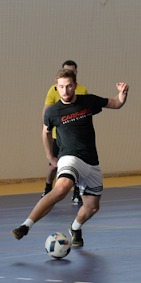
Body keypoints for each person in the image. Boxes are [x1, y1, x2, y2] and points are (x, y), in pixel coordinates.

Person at [12, 69, 129, 247]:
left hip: (91, 161)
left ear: (75, 85)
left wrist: (122, 94)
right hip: (69, 157)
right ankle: (26, 225)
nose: (65, 91)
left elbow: (115, 103)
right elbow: (45, 132)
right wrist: (50, 156)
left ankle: (75, 227)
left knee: (93, 207)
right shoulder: (53, 112)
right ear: (56, 88)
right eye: (61, 87)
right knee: (61, 189)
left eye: (68, 86)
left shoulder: (87, 101)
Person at [41, 60, 88, 205]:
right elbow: (47, 110)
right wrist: (46, 126)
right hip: (58, 135)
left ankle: (76, 194)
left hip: (75, 138)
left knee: (77, 166)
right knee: (53, 166)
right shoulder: (54, 90)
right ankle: (48, 189)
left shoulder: (82, 90)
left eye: (72, 71)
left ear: (76, 74)